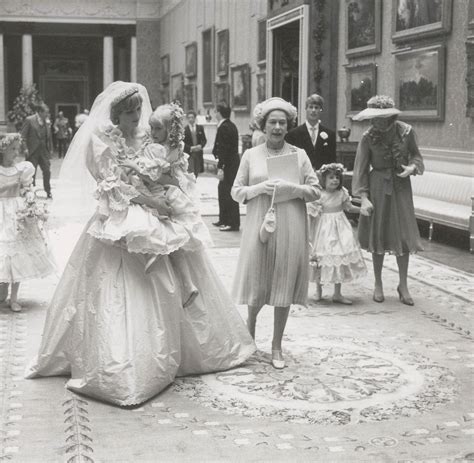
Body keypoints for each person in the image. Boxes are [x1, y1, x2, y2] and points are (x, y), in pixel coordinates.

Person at [26, 81, 255, 406]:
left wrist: (167, 187)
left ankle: (185, 349)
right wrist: (150, 201)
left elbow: (166, 169)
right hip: (121, 220)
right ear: (115, 115)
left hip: (157, 216)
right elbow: (112, 186)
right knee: (118, 290)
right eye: (128, 112)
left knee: (179, 261)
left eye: (137, 110)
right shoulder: (103, 143)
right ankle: (124, 363)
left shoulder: (150, 138)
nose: (135, 117)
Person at [231, 97, 320, 369]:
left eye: (282, 122)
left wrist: (293, 189)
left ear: (288, 125)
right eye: (272, 122)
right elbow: (236, 192)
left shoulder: (299, 155)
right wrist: (260, 188)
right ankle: (250, 333)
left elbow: (316, 190)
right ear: (263, 125)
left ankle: (277, 345)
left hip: (291, 224)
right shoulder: (250, 155)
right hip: (260, 224)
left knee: (283, 282)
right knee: (258, 282)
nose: (278, 127)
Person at [118, 103, 213, 307]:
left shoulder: (157, 148)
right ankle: (186, 282)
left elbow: (153, 175)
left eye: (158, 128)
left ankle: (157, 252)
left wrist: (134, 167)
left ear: (170, 130)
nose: (153, 132)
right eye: (152, 128)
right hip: (174, 189)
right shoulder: (174, 147)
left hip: (164, 190)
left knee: (159, 219)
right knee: (168, 226)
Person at [352, 95, 424, 306]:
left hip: (401, 187)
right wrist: (363, 198)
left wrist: (412, 168)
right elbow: (360, 170)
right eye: (373, 118)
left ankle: (403, 284)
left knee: (403, 235)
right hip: (377, 187)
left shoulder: (406, 132)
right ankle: (378, 283)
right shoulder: (368, 137)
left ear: (390, 116)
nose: (377, 122)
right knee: (379, 234)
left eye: (380, 118)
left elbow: (417, 156)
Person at [0, 133, 56, 312]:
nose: (16, 153)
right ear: (2, 150)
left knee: (18, 252)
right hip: (1, 213)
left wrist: (30, 197)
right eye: (12, 149)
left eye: (17, 149)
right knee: (3, 252)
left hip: (16, 212)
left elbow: (26, 188)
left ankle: (14, 297)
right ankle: (2, 289)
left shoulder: (22, 169)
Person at [308, 163, 366, 305]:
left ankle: (337, 293)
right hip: (323, 228)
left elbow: (349, 207)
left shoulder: (342, 193)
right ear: (323, 180)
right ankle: (318, 290)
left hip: (340, 227)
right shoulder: (319, 195)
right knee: (321, 257)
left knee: (340, 256)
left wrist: (361, 209)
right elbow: (311, 212)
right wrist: (314, 214)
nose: (335, 180)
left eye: (337, 178)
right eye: (331, 178)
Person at [285, 93, 336, 170]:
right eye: (310, 107)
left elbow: (332, 161)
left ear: (321, 110)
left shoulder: (330, 134)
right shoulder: (293, 134)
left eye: (316, 108)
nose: (313, 110)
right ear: (306, 109)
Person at [212, 103, 240, 231]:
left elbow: (224, 149)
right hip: (231, 163)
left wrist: (221, 166)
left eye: (216, 111)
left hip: (228, 165)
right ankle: (223, 219)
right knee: (223, 191)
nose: (214, 114)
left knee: (228, 193)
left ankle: (232, 222)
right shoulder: (230, 125)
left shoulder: (224, 127)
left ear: (219, 113)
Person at [21, 103, 53, 199]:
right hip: (32, 151)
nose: (47, 115)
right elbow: (23, 136)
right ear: (39, 112)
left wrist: (50, 149)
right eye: (45, 113)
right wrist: (25, 148)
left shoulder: (47, 122)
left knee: (47, 171)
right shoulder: (29, 120)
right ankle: (31, 192)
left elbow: (49, 137)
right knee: (31, 173)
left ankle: (48, 191)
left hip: (43, 152)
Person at [183, 110, 207, 177]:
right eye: (189, 117)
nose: (191, 119)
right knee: (190, 171)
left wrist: (201, 146)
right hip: (190, 154)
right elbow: (183, 143)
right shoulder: (185, 130)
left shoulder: (200, 128)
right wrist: (190, 148)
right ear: (187, 119)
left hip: (198, 153)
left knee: (197, 171)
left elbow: (204, 140)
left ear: (195, 118)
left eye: (192, 117)